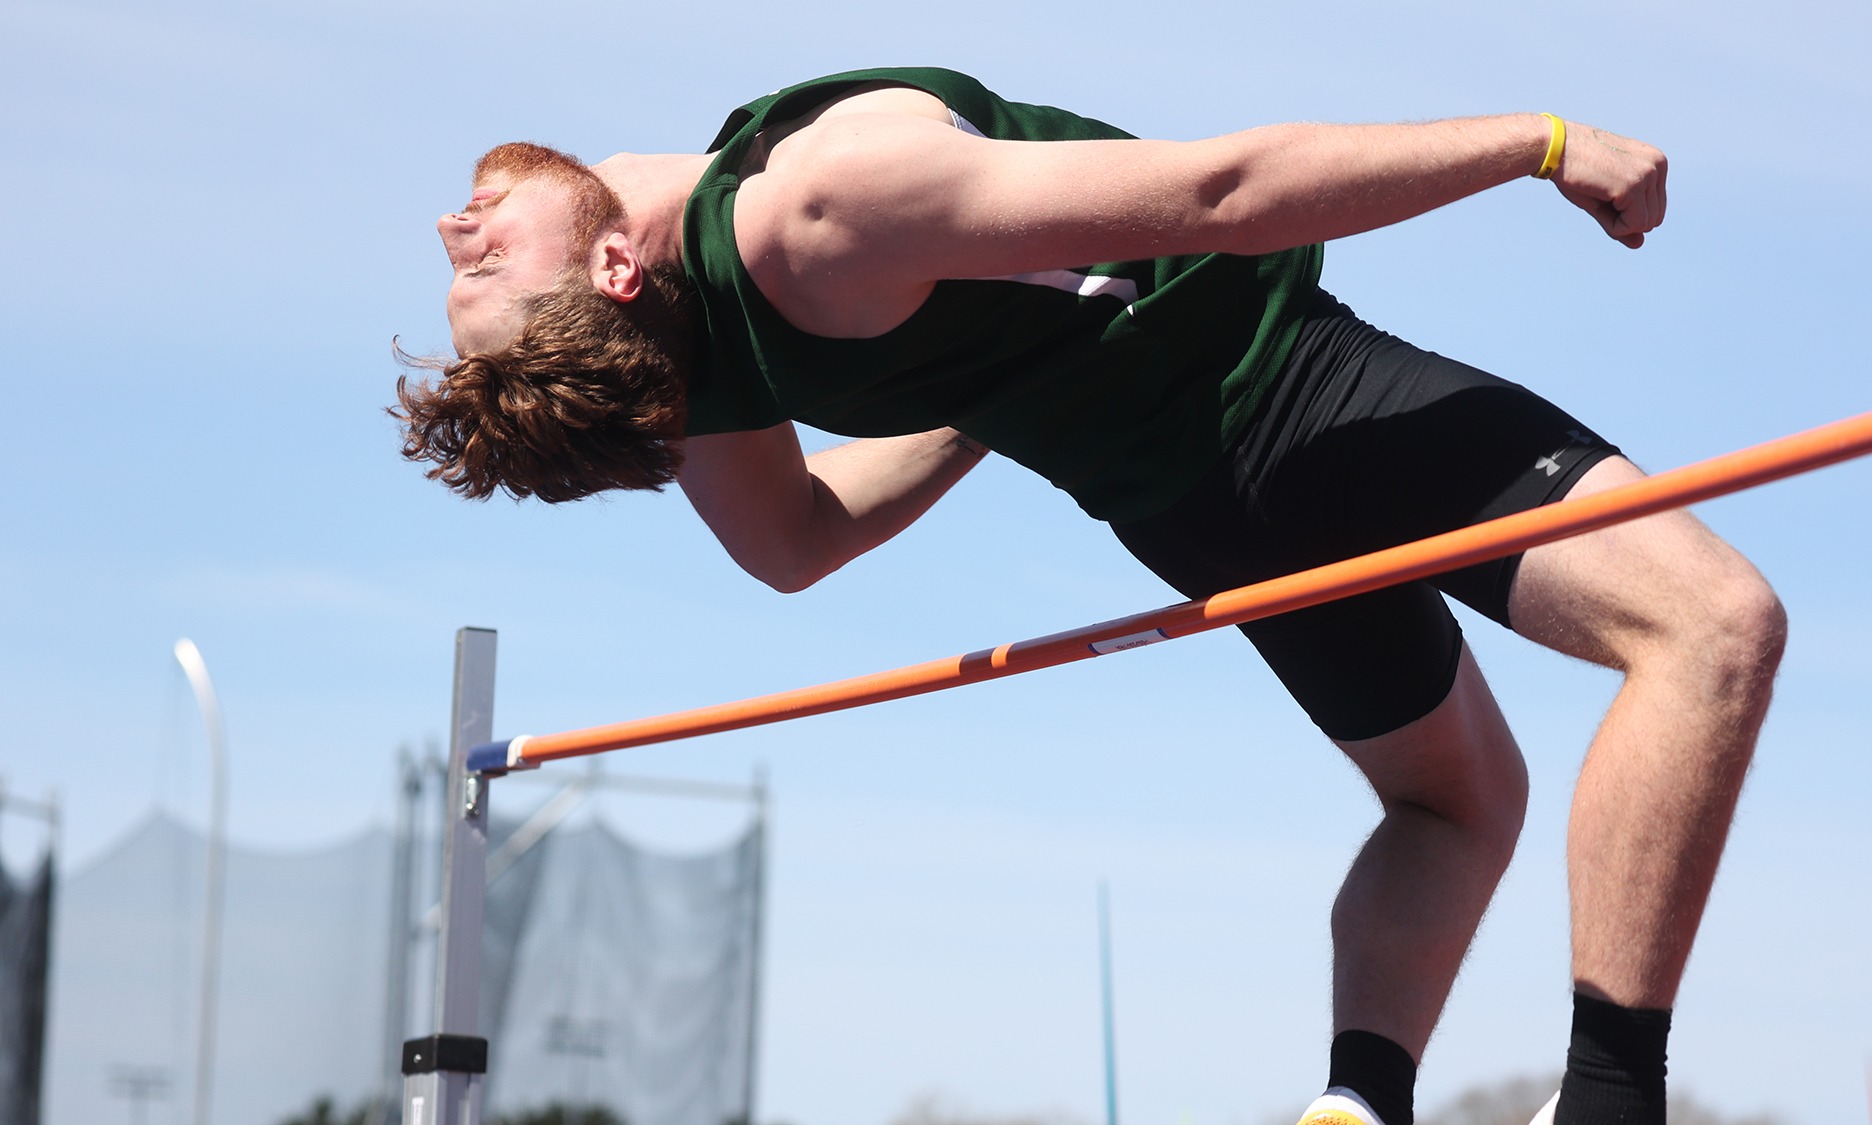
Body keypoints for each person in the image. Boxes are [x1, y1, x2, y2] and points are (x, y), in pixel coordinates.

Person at [397, 68, 1786, 1125]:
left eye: (464, 253)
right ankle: (1612, 1097)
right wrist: (1538, 143)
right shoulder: (826, 201)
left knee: (1453, 802)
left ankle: (1356, 1101)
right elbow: (1230, 196)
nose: (457, 218)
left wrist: (1002, 386)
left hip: (1191, 511)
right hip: (1297, 397)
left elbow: (795, 539)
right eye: (482, 263)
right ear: (613, 270)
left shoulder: (688, 361)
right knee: (1710, 625)